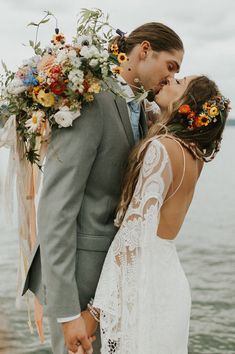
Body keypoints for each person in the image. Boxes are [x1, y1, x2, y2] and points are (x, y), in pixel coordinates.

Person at [22, 22, 184, 354]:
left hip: (110, 285)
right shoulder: (92, 100)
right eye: (170, 66)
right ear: (144, 51)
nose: (170, 78)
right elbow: (56, 208)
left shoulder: (139, 110)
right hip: (78, 280)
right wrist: (68, 313)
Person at [79, 75, 230, 354]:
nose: (170, 79)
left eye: (180, 82)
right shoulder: (193, 156)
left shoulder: (162, 149)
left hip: (147, 285)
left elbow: (132, 239)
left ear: (187, 103)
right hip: (169, 279)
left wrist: (95, 311)